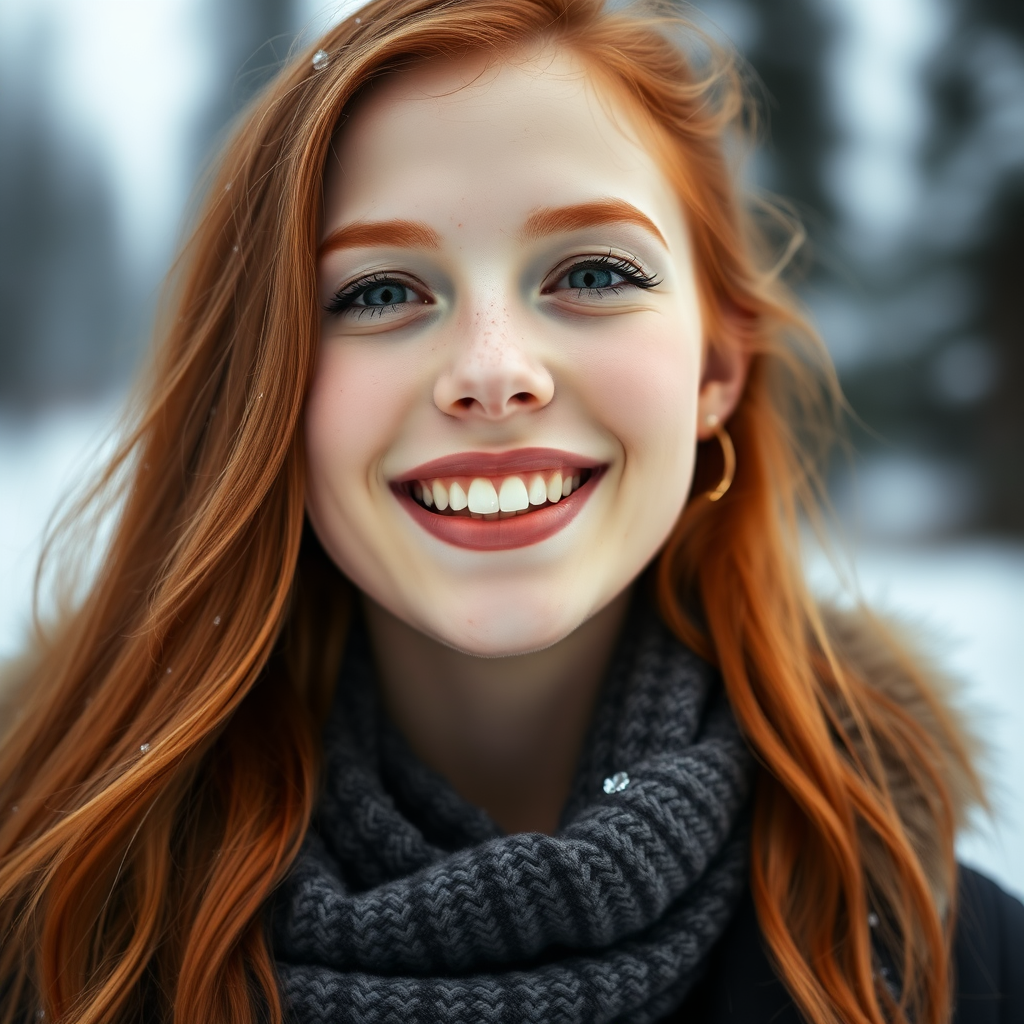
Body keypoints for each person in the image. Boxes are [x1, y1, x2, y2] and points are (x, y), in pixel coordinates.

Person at [0, 0, 1021, 1021]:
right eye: (378, 292)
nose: (493, 371)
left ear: (714, 367)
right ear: (265, 388)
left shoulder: (961, 971)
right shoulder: (50, 940)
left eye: (590, 273)